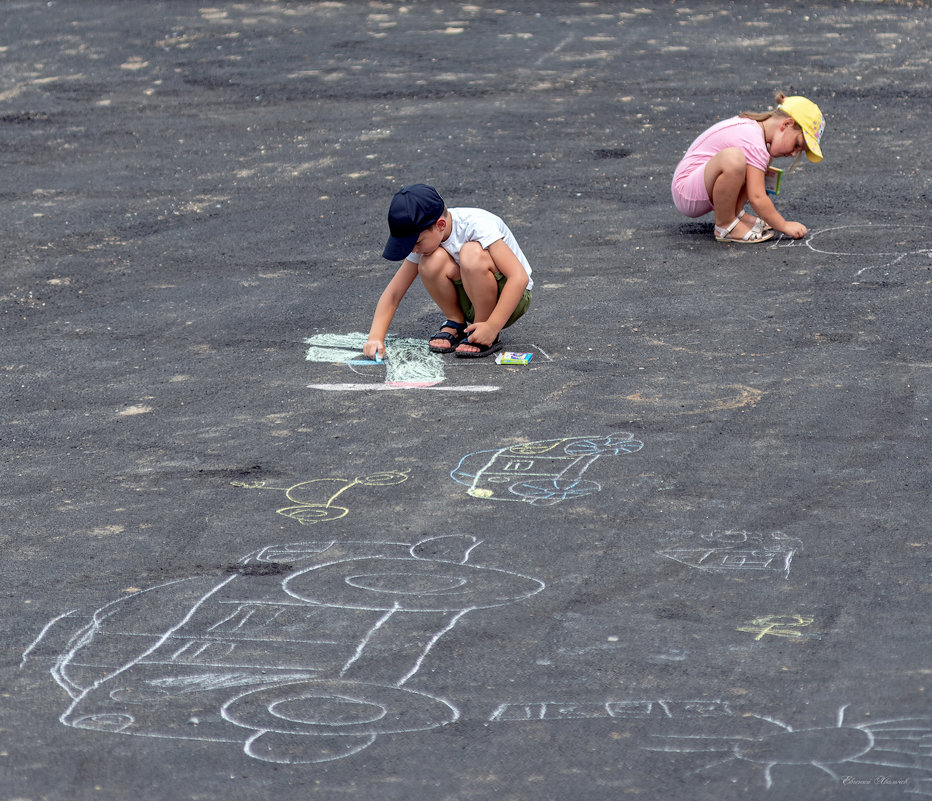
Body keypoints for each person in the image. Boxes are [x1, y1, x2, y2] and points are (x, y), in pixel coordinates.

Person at [363, 184, 533, 359]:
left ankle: (482, 327)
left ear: (440, 225)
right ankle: (456, 322)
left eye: (416, 243)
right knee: (430, 261)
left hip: (511, 298)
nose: (413, 249)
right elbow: (394, 293)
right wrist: (375, 337)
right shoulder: (425, 241)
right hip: (472, 296)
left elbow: (519, 278)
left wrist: (492, 326)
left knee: (470, 253)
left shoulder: (477, 224)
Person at [671, 92, 825, 243]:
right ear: (786, 124)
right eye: (797, 145)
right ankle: (725, 225)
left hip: (697, 185)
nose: (793, 153)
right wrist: (784, 225)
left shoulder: (757, 134)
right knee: (733, 159)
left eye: (799, 151)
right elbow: (756, 197)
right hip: (686, 191)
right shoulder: (753, 139)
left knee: (754, 159)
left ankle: (735, 215)